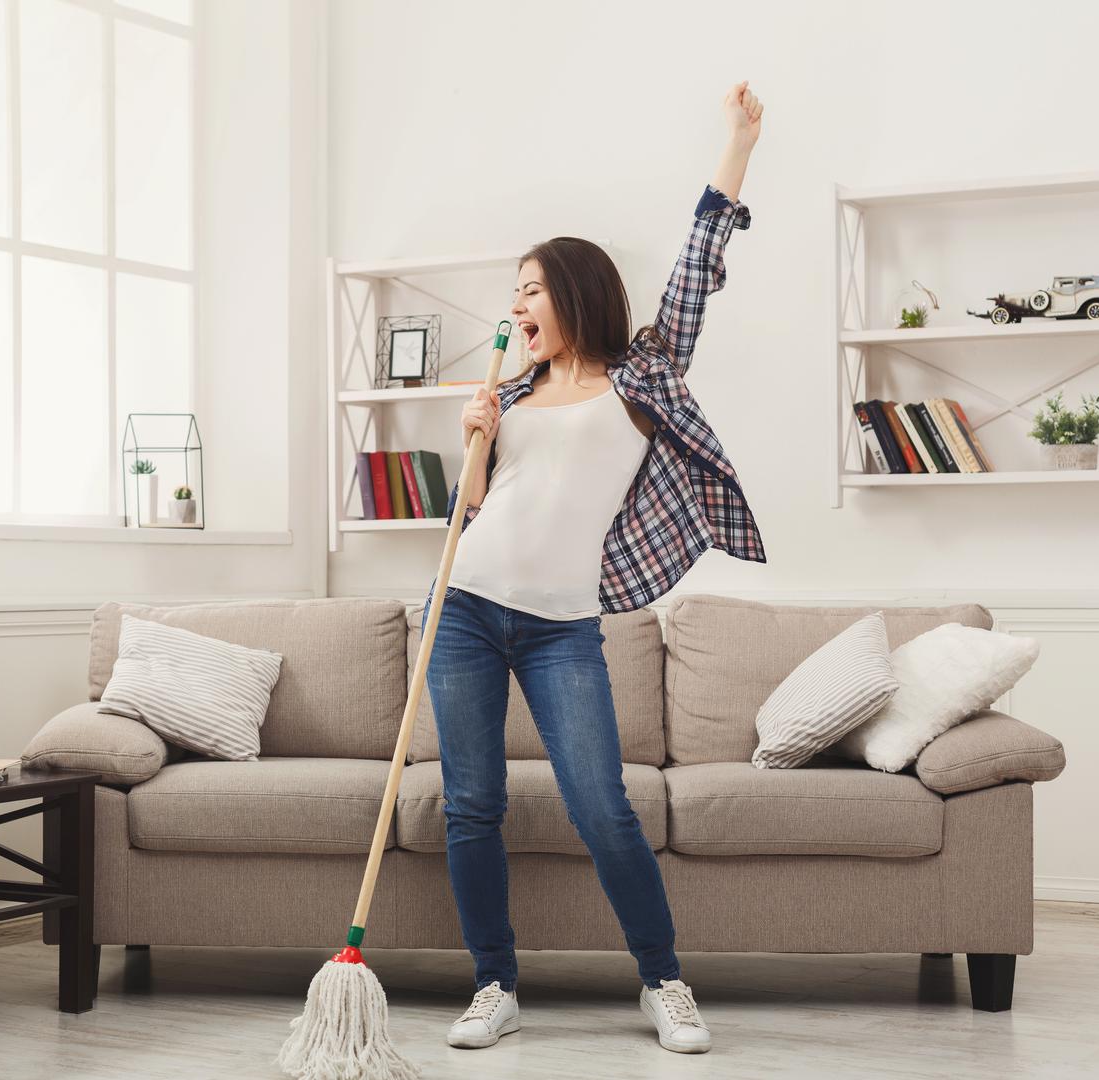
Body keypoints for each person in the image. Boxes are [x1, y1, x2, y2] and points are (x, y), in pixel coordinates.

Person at [419, 80, 766, 1056]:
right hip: (464, 607)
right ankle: (495, 986)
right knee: (471, 806)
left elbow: (700, 262)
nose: (518, 303)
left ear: (572, 295)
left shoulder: (643, 377)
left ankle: (664, 981)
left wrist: (738, 141)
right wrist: (475, 438)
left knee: (602, 807)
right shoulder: (511, 388)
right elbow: (475, 511)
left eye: (531, 288)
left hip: (563, 623)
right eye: (514, 291)